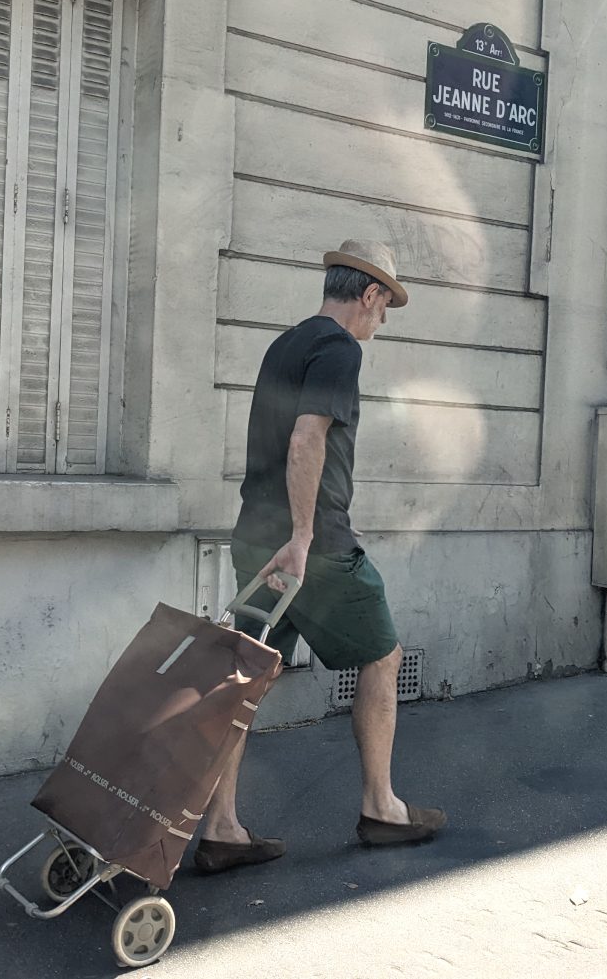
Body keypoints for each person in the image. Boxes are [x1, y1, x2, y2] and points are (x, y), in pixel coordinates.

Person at [194, 239, 446, 874]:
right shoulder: (339, 349)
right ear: (367, 294)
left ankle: (222, 827)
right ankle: (381, 807)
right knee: (383, 655)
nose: (381, 320)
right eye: (383, 306)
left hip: (254, 534)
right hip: (317, 549)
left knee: (249, 675)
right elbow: (308, 436)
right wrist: (304, 537)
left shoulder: (287, 343)